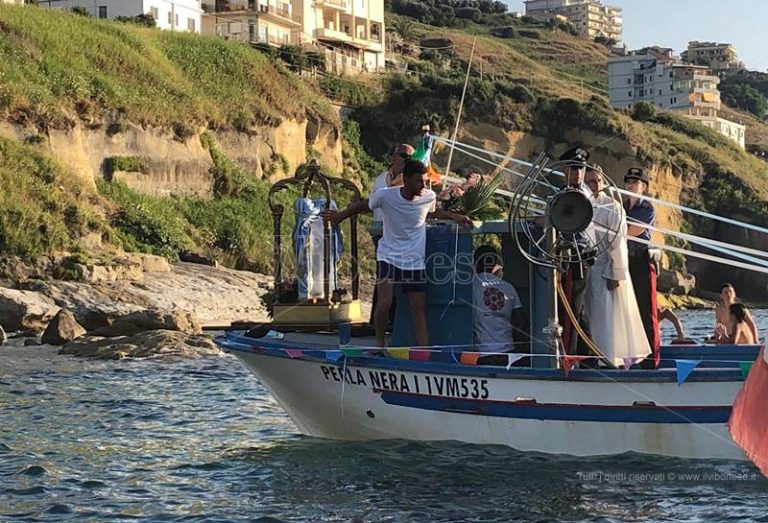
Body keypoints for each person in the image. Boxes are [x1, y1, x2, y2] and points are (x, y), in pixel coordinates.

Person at [329, 160, 472, 347]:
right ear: (405, 180)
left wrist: (456, 216)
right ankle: (380, 344)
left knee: (418, 309)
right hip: (388, 256)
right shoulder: (386, 196)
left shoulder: (428, 196)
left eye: (424, 181)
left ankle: (424, 353)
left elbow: (431, 213)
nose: (422, 185)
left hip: (414, 261)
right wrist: (339, 217)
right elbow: (362, 206)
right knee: (385, 303)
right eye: (418, 181)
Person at [583, 165, 651, 367]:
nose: (595, 185)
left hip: (605, 269)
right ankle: (588, 357)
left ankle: (608, 359)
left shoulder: (612, 206)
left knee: (607, 316)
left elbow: (618, 242)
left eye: (598, 181)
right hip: (584, 269)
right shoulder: (580, 204)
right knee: (588, 315)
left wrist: (615, 272)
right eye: (590, 182)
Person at [555, 147, 594, 360]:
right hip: (563, 256)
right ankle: (586, 357)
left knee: (572, 310)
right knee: (573, 309)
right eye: (574, 168)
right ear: (564, 169)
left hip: (577, 257)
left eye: (581, 169)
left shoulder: (581, 195)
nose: (578, 173)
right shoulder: (562, 194)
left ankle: (570, 358)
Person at [369, 143, 414, 326]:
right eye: (404, 155)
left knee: (398, 277)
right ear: (394, 157)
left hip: (400, 234)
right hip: (380, 232)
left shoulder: (412, 180)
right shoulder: (381, 179)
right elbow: (372, 203)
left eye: (410, 157)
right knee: (383, 275)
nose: (407, 160)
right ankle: (378, 321)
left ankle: (394, 321)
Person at [623, 167, 660, 366]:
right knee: (629, 309)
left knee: (647, 309)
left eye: (635, 182)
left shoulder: (647, 208)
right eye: (628, 182)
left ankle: (652, 357)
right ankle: (634, 353)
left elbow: (632, 231)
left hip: (642, 260)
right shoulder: (622, 207)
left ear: (643, 187)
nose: (630, 185)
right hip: (626, 260)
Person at [472, 245, 527, 357]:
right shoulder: (508, 287)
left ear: (475, 262)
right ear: (495, 263)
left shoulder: (470, 286)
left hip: (481, 352)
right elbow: (521, 321)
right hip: (508, 350)